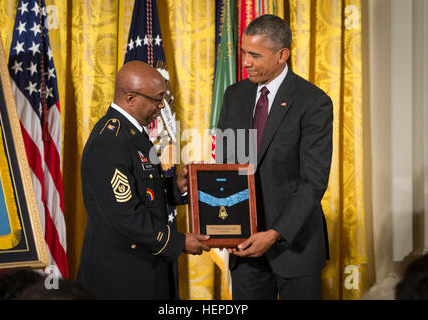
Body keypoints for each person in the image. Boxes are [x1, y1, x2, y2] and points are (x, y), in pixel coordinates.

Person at [216, 14, 333, 299]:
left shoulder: (314, 102)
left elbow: (312, 182)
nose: (245, 62)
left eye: (254, 55)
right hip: (245, 249)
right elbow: (226, 166)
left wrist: (275, 233)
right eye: (244, 53)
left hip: (294, 246)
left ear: (282, 54)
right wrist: (225, 227)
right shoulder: (234, 94)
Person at [77, 61, 210, 299]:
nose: (161, 106)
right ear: (131, 99)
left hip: (144, 263)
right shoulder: (110, 141)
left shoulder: (132, 132)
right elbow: (125, 213)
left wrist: (176, 189)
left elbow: (143, 190)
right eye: (157, 99)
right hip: (123, 274)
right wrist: (177, 242)